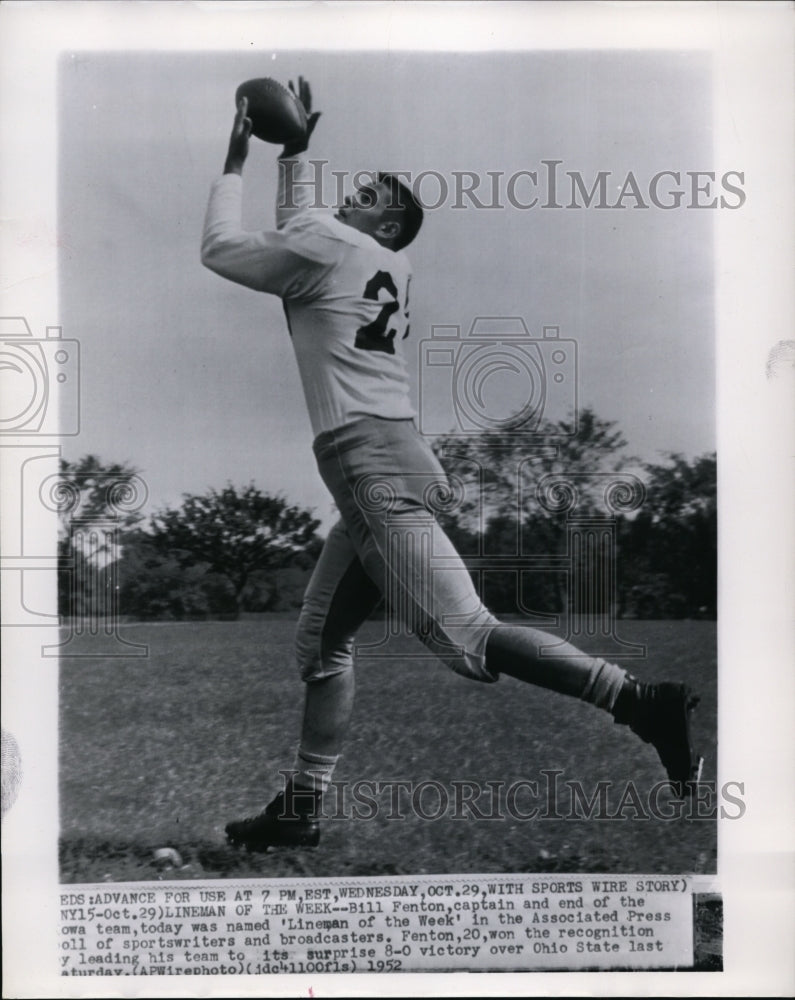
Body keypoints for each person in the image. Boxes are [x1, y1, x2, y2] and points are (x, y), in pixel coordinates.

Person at [201, 79, 702, 851]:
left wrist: (239, 160)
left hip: (372, 469)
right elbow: (303, 225)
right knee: (320, 642)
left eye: (366, 194)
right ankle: (302, 808)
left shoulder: (332, 248)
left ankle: (640, 701)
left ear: (390, 222)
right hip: (383, 463)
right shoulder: (371, 260)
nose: (350, 197)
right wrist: (296, 149)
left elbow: (221, 250)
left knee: (467, 628)